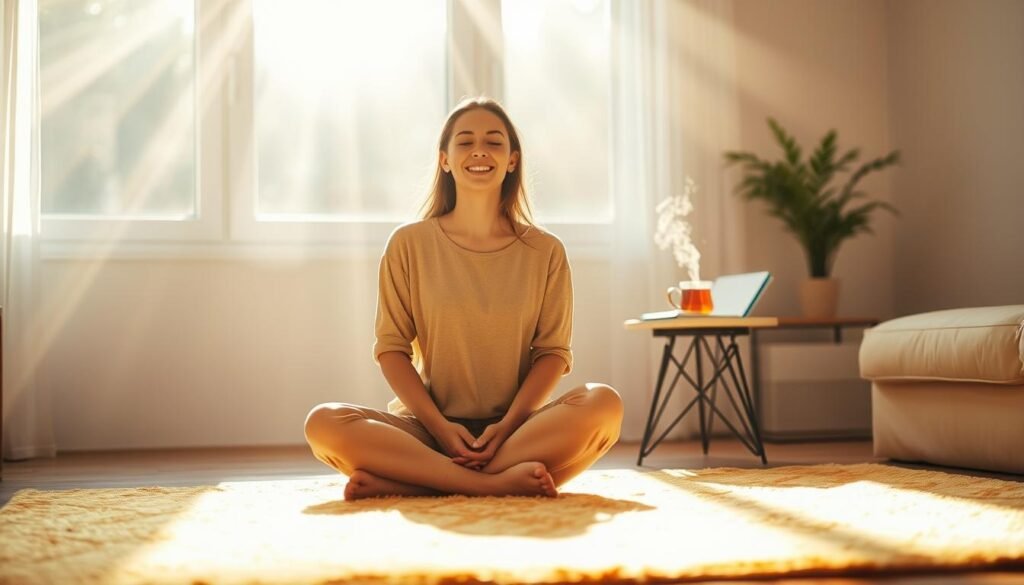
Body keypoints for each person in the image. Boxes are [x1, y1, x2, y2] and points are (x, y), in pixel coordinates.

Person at [303, 97, 623, 500]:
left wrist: (507, 427)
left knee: (604, 404)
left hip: (516, 432)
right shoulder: (408, 244)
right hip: (428, 431)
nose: (479, 151)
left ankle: (419, 483)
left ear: (512, 160)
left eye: (494, 142)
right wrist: (440, 429)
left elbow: (552, 354)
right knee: (323, 423)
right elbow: (391, 349)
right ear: (445, 160)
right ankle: (492, 483)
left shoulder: (546, 251)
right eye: (466, 142)